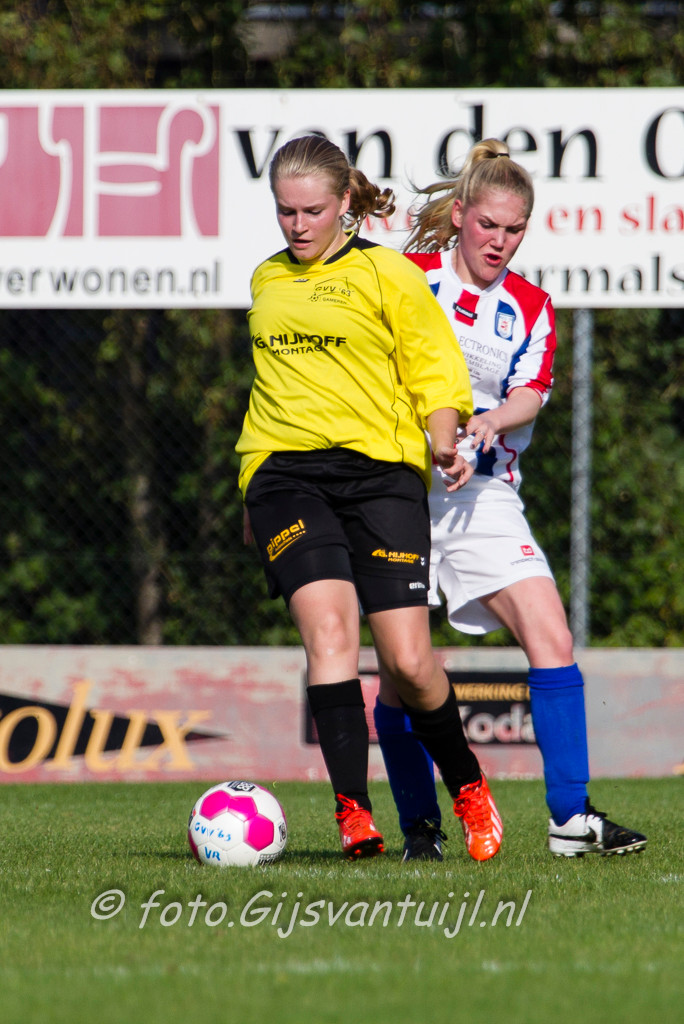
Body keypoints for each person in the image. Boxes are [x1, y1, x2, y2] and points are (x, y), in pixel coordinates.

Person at [374, 138, 648, 862]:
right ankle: (420, 830)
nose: (500, 241)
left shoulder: (530, 306)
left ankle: (570, 819)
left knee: (551, 636)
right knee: (404, 671)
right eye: (488, 224)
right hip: (398, 491)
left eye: (515, 229)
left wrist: (491, 422)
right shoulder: (408, 279)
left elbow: (531, 391)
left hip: (483, 496)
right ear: (459, 216)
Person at [236, 134, 503, 862]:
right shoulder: (266, 278)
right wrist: (257, 479)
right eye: (285, 211)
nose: (297, 225)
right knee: (329, 636)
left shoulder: (387, 274)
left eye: (312, 211)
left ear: (345, 202)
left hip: (379, 476)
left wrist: (443, 441)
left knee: (409, 663)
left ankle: (469, 786)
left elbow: (435, 370)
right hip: (284, 476)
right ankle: (353, 812)